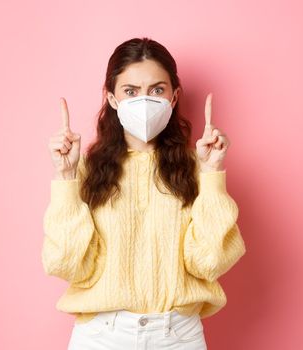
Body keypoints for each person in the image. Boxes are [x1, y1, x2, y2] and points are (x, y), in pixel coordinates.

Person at [42, 37, 247, 349]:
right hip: (100, 336)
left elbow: (209, 262)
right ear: (112, 98)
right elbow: (68, 264)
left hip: (177, 337)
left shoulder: (197, 168)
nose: (145, 100)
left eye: (157, 89)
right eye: (130, 91)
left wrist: (212, 174)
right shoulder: (84, 170)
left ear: (174, 96)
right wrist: (66, 176)